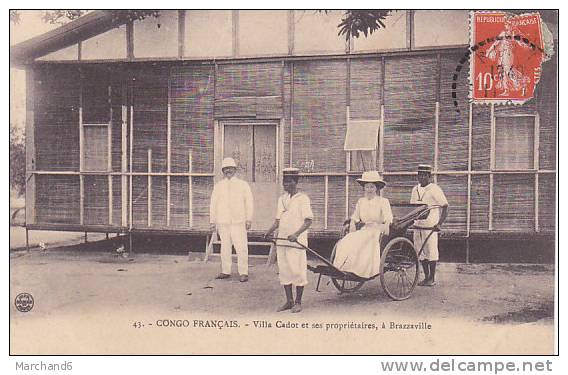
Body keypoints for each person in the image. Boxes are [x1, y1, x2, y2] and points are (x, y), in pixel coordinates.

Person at [264, 168, 313, 313]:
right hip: (283, 241)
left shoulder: (303, 199)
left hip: (296, 242)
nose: (286, 185)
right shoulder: (282, 199)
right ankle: (289, 301)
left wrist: (296, 234)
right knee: (284, 270)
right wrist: (268, 232)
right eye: (285, 182)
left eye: (290, 182)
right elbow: (278, 221)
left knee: (297, 270)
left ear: (295, 182)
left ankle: (298, 302)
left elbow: (308, 221)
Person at [332, 171, 393, 279]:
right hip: (365, 229)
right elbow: (355, 216)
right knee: (347, 239)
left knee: (363, 242)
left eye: (372, 187)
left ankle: (361, 270)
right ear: (364, 188)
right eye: (367, 187)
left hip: (376, 230)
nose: (369, 189)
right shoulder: (361, 201)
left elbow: (388, 216)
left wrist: (387, 224)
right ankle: (345, 267)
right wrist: (352, 223)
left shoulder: (383, 201)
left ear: (376, 188)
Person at [209, 157, 254, 282]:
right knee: (225, 247)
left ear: (235, 169)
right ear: (223, 171)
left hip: (238, 221)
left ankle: (243, 272)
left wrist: (248, 219)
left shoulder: (243, 185)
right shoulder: (219, 186)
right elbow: (213, 203)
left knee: (241, 247)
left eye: (230, 168)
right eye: (225, 169)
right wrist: (213, 221)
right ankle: (225, 270)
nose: (228, 170)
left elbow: (249, 202)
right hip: (223, 221)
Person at [410, 164, 449, 287]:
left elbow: (445, 206)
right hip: (417, 226)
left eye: (424, 175)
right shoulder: (415, 189)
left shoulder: (434, 189)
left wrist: (439, 224)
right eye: (419, 175)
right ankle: (426, 277)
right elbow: (413, 209)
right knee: (420, 252)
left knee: (431, 252)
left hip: (430, 227)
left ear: (429, 176)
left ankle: (432, 278)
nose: (422, 177)